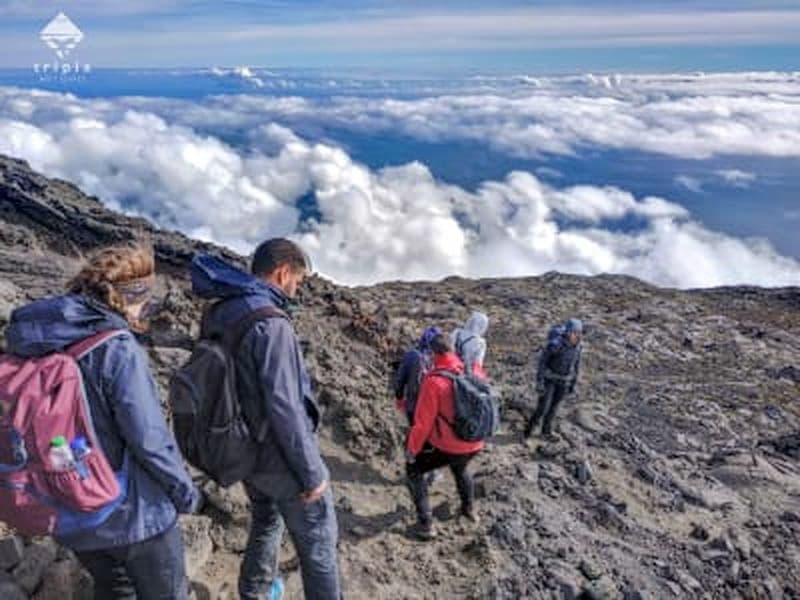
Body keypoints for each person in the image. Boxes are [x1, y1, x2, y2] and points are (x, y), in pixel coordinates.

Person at [5, 243, 199, 599]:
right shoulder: (116, 346)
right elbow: (148, 438)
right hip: (136, 515)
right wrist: (185, 493)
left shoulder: (33, 340)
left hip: (71, 511)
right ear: (131, 296)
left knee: (113, 591)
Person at [191, 238, 341, 600]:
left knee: (266, 519)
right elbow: (285, 406)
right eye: (298, 281)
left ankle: (254, 594)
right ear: (282, 272)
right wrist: (311, 474)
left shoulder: (220, 311)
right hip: (279, 457)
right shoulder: (272, 323)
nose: (296, 289)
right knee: (319, 543)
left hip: (243, 449)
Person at [405, 334, 484, 541]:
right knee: (461, 468)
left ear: (433, 354)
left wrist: (412, 450)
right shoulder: (473, 370)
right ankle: (469, 510)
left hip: (448, 445)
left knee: (414, 470)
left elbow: (422, 424)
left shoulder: (434, 381)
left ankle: (426, 524)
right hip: (475, 441)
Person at [524, 318, 583, 440]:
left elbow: (576, 366)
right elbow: (542, 363)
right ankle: (528, 430)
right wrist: (539, 382)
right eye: (573, 332)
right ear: (567, 332)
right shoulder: (555, 344)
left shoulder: (578, 347)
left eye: (578, 332)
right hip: (549, 379)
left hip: (564, 381)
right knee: (543, 407)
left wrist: (573, 384)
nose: (575, 335)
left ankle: (546, 431)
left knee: (554, 407)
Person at [393, 326, 441, 424]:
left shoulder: (411, 355)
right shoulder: (440, 358)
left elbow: (400, 380)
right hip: (432, 410)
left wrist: (399, 398)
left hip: (412, 405)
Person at [451, 311, 489, 378]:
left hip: (451, 367)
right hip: (465, 374)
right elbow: (478, 364)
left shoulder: (456, 332)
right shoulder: (480, 342)